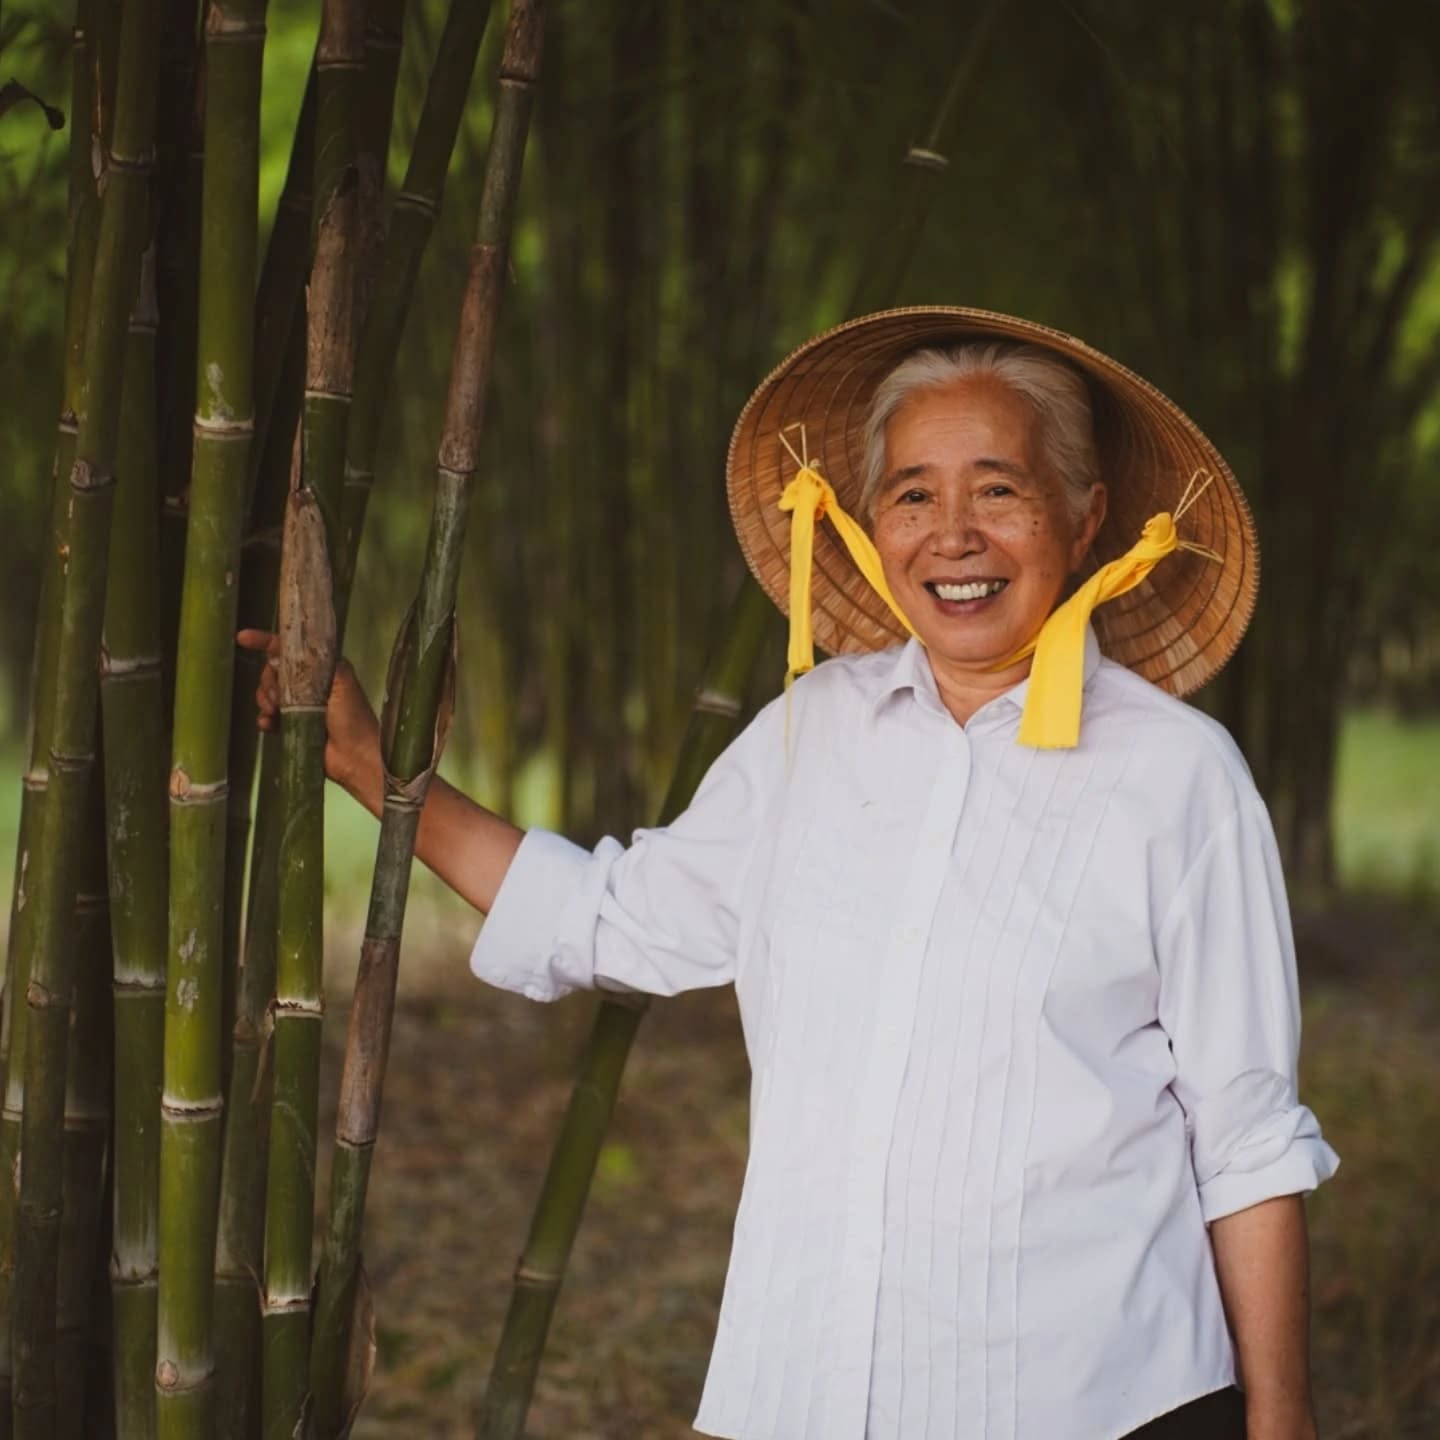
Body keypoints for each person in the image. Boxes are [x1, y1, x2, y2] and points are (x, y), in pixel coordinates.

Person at [243, 307, 1339, 1440]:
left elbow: (1246, 1133)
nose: (954, 535)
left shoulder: (1179, 777)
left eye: (999, 489)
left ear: (1085, 516)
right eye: (913, 495)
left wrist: (1284, 1415)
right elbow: (606, 916)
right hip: (809, 1387)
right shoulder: (810, 735)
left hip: (1096, 1397)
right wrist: (372, 769)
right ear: (869, 521)